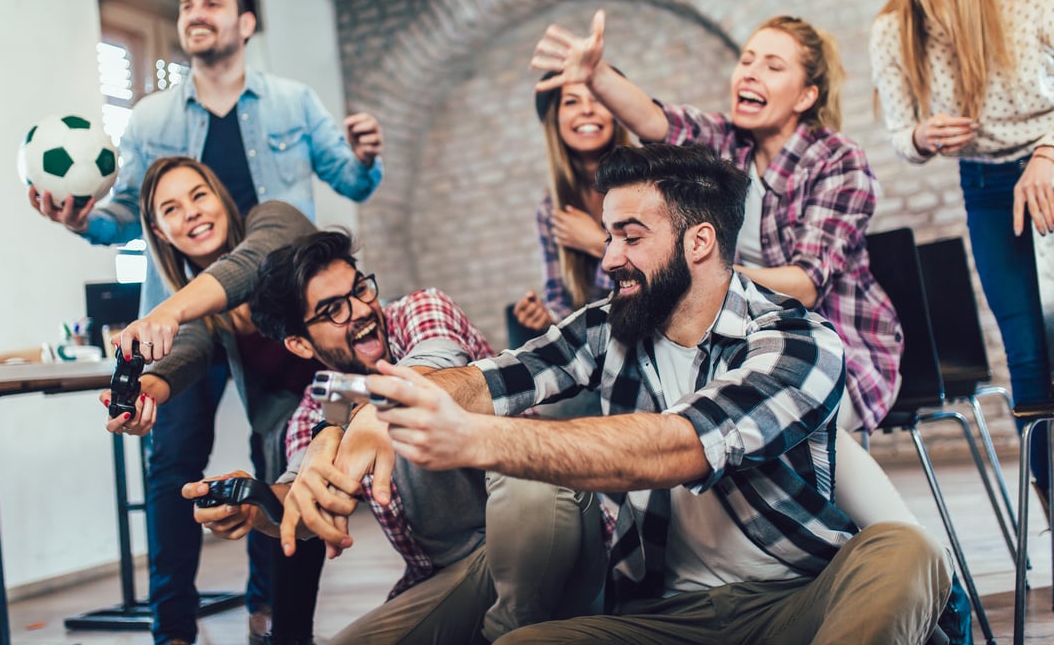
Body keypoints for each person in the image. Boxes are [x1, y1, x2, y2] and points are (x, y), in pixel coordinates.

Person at [361, 143, 951, 644]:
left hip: (797, 599)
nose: (610, 257)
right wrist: (376, 413)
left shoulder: (796, 341)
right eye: (610, 235)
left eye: (630, 236)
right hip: (667, 618)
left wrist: (476, 439)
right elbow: (493, 379)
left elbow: (679, 446)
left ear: (699, 241)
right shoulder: (606, 326)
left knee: (905, 554)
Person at [29, 0, 384, 645]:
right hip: (202, 315)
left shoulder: (290, 110)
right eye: (186, 3)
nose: (196, 12)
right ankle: (176, 631)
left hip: (286, 310)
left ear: (245, 23)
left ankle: (271, 611)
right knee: (176, 463)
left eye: (212, 2)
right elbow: (126, 221)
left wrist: (366, 158)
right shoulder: (151, 119)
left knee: (282, 453)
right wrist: (81, 224)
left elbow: (326, 200)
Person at [183, 229, 606, 645]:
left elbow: (433, 361)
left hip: (552, 526)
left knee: (531, 484)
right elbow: (304, 493)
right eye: (333, 309)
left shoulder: (420, 310)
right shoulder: (315, 412)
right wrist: (257, 506)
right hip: (459, 576)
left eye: (360, 290)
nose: (362, 310)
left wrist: (366, 417)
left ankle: (513, 633)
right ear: (299, 344)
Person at [529, 10, 902, 435]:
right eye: (747, 60)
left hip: (838, 346)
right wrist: (595, 75)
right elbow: (654, 120)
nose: (750, 74)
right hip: (743, 342)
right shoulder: (725, 143)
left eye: (773, 66)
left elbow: (806, 284)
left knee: (757, 427)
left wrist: (693, 272)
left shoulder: (838, 160)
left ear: (805, 97)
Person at [869, 0, 1054, 510]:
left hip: (1051, 161)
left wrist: (1047, 152)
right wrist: (921, 134)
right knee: (1027, 354)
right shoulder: (895, 26)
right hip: (984, 186)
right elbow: (898, 134)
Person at [105, 156, 325, 645]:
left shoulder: (274, 219)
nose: (191, 213)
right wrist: (146, 393)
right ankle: (280, 628)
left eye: (198, 195)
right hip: (297, 436)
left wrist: (166, 310)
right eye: (171, 208)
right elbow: (190, 351)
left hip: (363, 397)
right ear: (160, 232)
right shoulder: (203, 309)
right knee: (278, 481)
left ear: (221, 196)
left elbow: (249, 266)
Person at [512, 71, 632, 333]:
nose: (587, 110)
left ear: (616, 112)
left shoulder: (645, 179)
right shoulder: (550, 208)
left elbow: (665, 275)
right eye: (572, 102)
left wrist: (597, 243)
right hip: (599, 340)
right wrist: (547, 316)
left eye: (598, 98)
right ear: (555, 120)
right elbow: (561, 301)